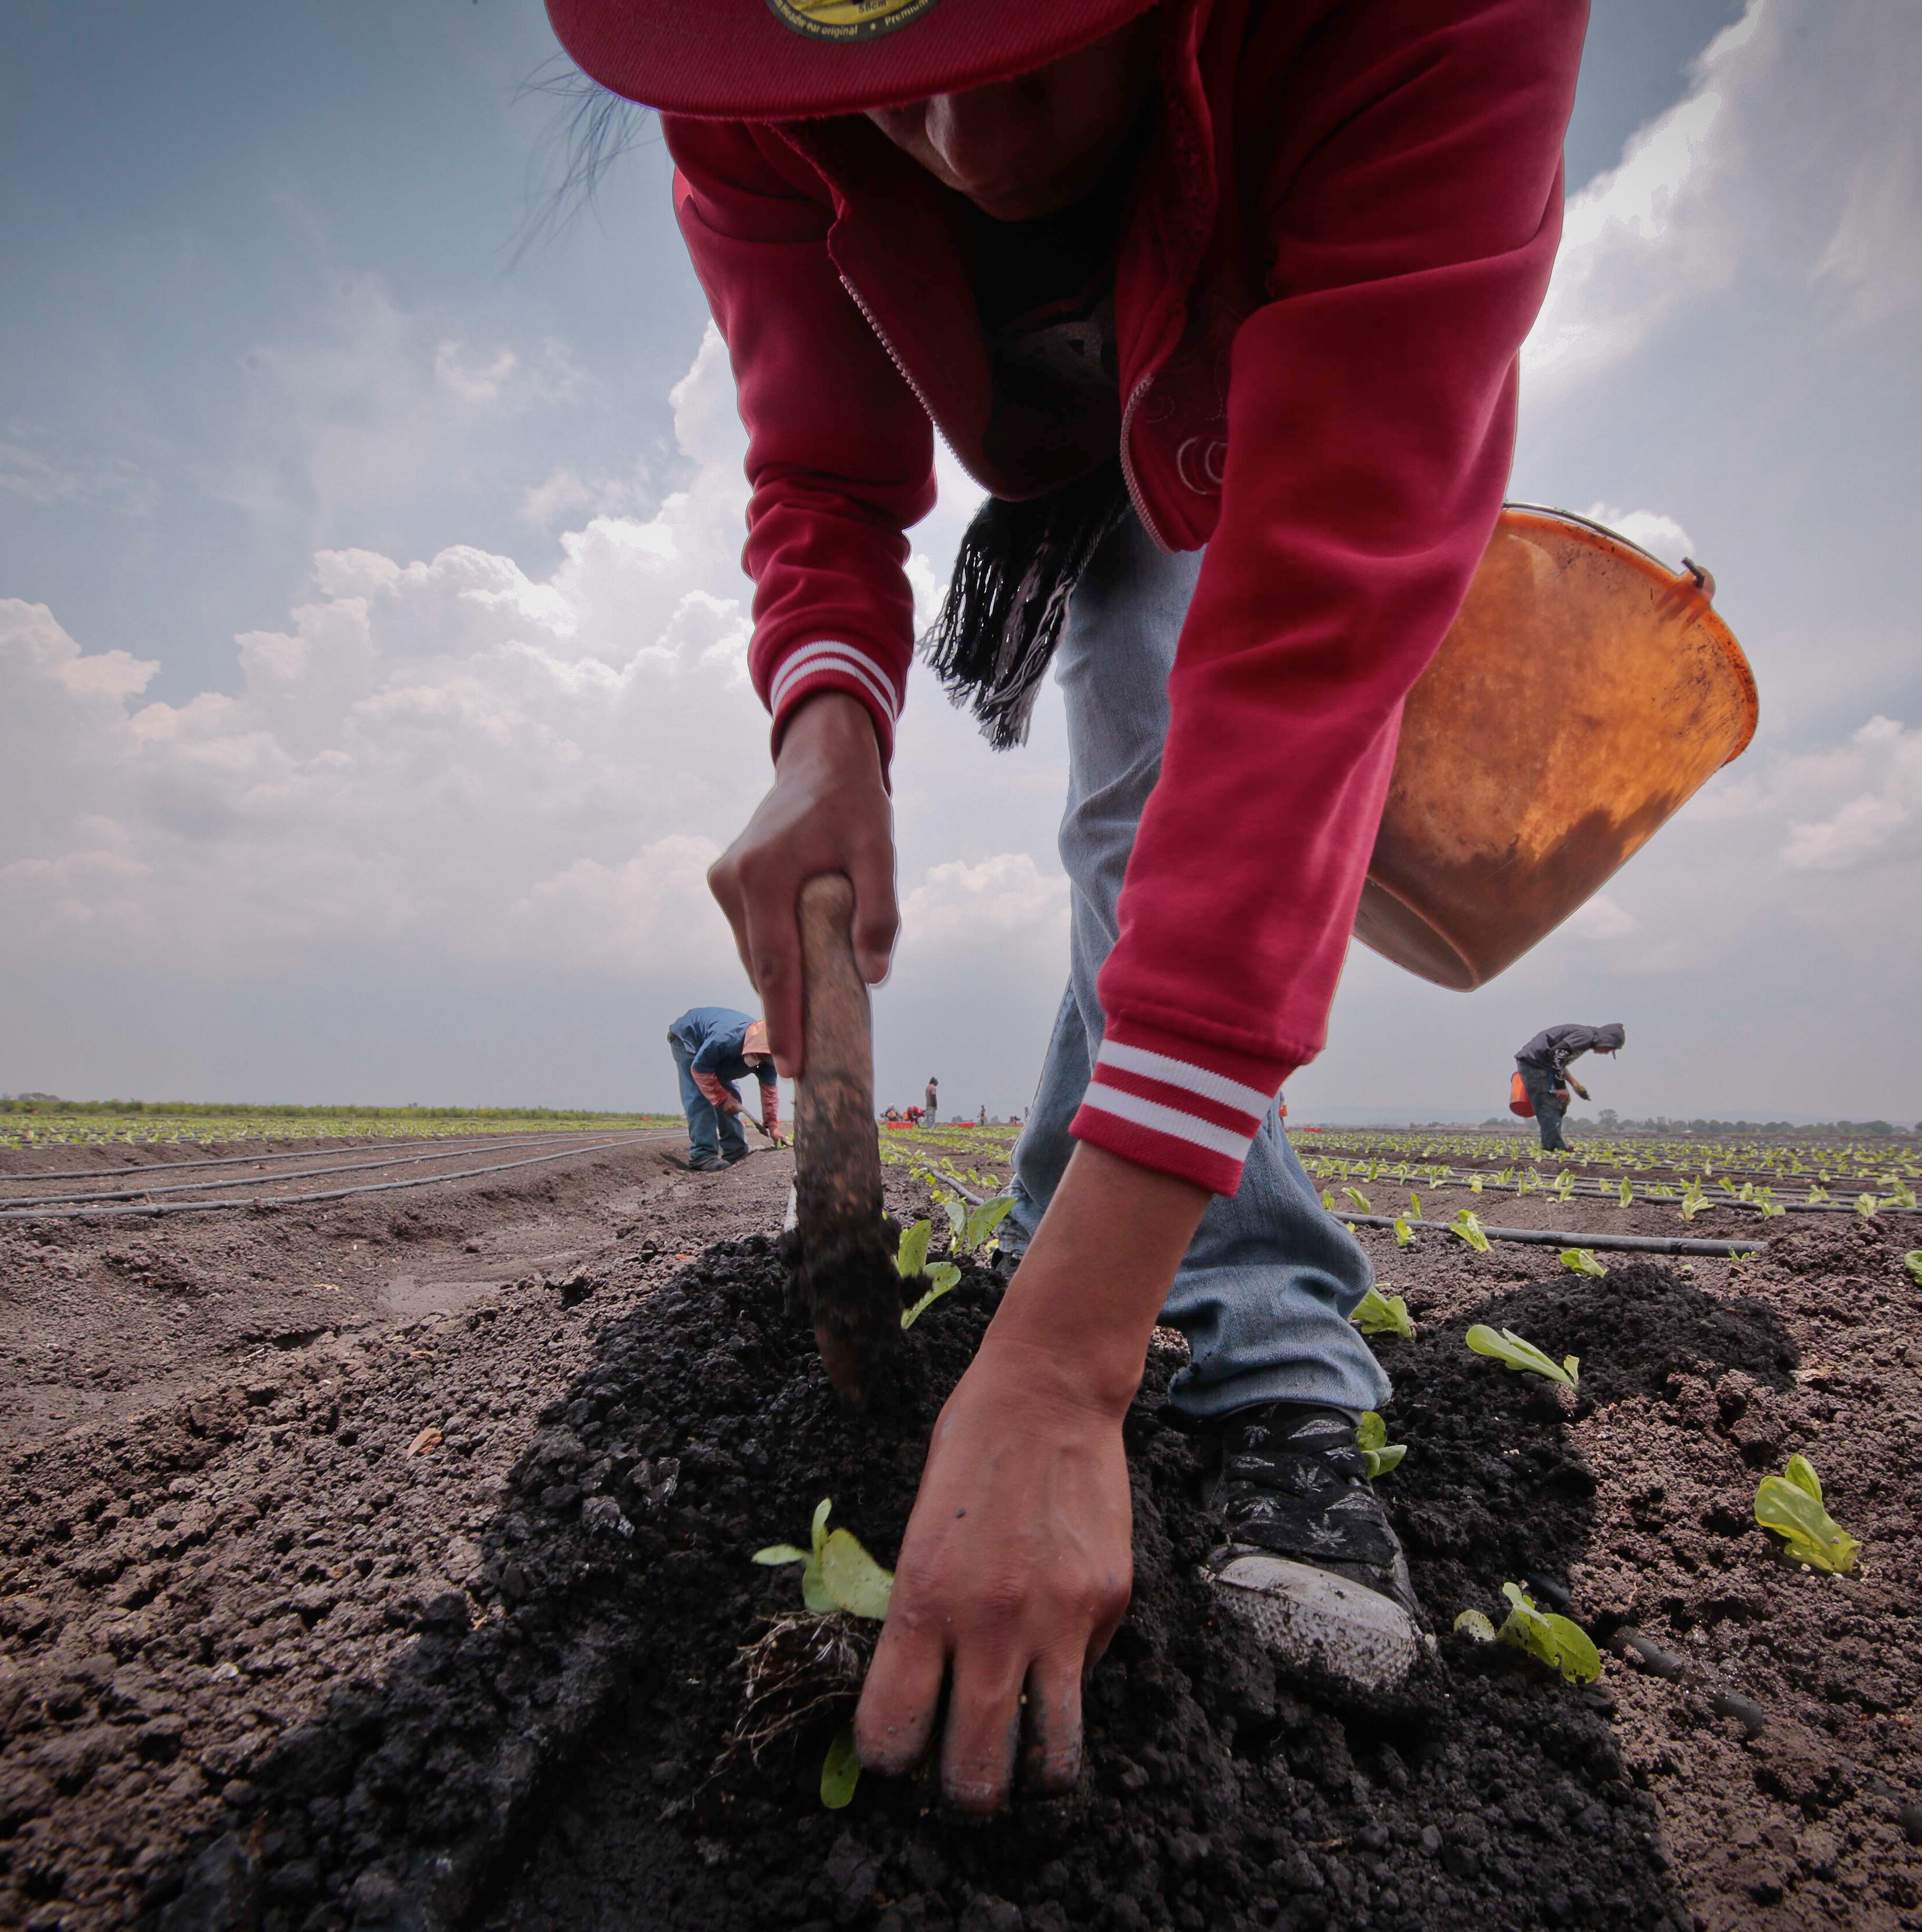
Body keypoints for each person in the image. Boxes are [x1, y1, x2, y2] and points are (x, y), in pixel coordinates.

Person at [548, 0, 1582, 1812]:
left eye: (1024, 37)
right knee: (1133, 788)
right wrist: (826, 727)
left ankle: (1247, 1359)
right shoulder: (765, 71)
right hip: (1082, 444)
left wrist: (1065, 1369)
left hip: (1279, 351)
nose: (964, 137)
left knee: (1167, 775)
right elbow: (822, 462)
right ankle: (1079, 1241)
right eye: (893, 91)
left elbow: (1310, 643)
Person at [665, 1006, 780, 1172]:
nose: (763, 1062)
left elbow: (769, 1091)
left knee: (732, 1097)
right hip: (690, 1039)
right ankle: (702, 1156)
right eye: (761, 1057)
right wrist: (722, 1098)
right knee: (700, 1096)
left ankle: (736, 1151)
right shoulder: (726, 1039)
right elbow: (700, 1069)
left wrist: (773, 1126)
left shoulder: (768, 1058)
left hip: (717, 1053)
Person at [1513, 1022, 1622, 1154]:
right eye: (1610, 1049)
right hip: (1535, 1064)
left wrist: (1574, 1084)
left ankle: (1553, 1145)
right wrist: (1561, 1087)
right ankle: (1553, 1148)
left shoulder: (1586, 1036)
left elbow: (1558, 1061)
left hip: (1541, 1064)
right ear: (1606, 1039)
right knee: (1550, 1104)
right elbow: (1557, 1054)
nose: (1607, 1053)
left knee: (1559, 1103)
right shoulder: (1585, 1036)